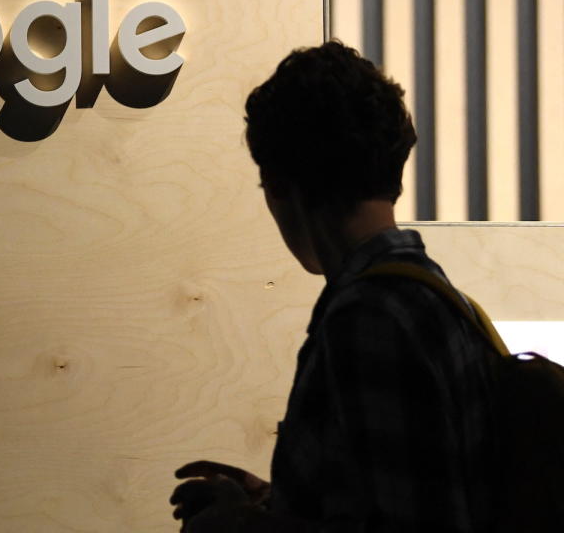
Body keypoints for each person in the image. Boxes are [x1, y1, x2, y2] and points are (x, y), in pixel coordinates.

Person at [170, 42, 497, 532]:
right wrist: (267, 500)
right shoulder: (431, 297)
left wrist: (242, 527)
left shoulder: (370, 318)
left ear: (281, 185)